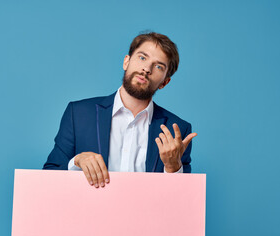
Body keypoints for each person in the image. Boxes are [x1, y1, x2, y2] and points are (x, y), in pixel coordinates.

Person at [43, 32, 197, 188]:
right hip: (88, 211)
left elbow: (181, 203)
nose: (147, 68)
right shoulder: (78, 114)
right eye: (142, 58)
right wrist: (77, 161)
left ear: (165, 82)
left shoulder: (177, 131)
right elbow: (48, 177)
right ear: (126, 62)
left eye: (158, 66)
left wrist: (172, 169)